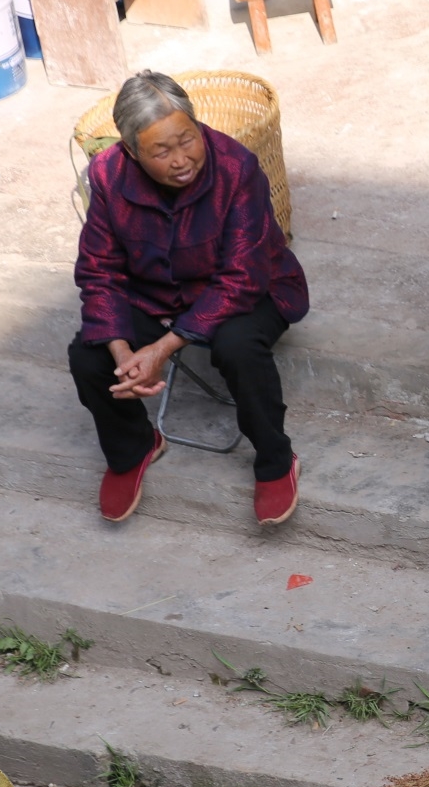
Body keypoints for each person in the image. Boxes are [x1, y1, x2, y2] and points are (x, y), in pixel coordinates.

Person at [70, 70, 308, 526]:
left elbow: (242, 275)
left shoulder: (236, 168)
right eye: (161, 150)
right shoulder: (108, 176)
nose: (181, 159)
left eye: (187, 139)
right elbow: (99, 269)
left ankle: (276, 460)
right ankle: (133, 448)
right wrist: (123, 352)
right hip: (154, 293)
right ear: (133, 153)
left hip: (250, 288)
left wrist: (161, 349)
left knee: (238, 346)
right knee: (88, 356)